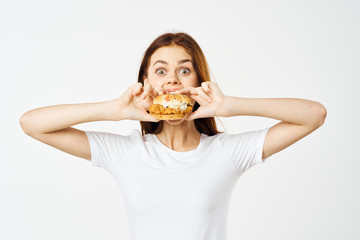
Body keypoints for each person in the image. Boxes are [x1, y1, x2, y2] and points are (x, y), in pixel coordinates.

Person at [20, 32, 327, 240]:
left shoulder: (227, 152)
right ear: (147, 82)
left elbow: (314, 115)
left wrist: (230, 106)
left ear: (198, 79)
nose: (172, 82)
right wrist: (115, 109)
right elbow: (32, 123)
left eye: (184, 70)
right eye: (161, 71)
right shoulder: (125, 151)